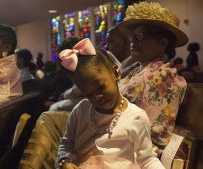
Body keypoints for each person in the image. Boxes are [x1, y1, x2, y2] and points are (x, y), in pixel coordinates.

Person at [57, 38, 164, 169]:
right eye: (88, 94)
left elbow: (147, 159)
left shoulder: (136, 117)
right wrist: (65, 161)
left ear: (115, 72)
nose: (97, 96)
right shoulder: (81, 110)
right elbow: (67, 143)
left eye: (100, 87)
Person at [118, 2, 188, 153]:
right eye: (132, 36)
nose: (133, 41)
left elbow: (155, 135)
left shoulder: (163, 76)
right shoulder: (137, 68)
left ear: (162, 43)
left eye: (140, 36)